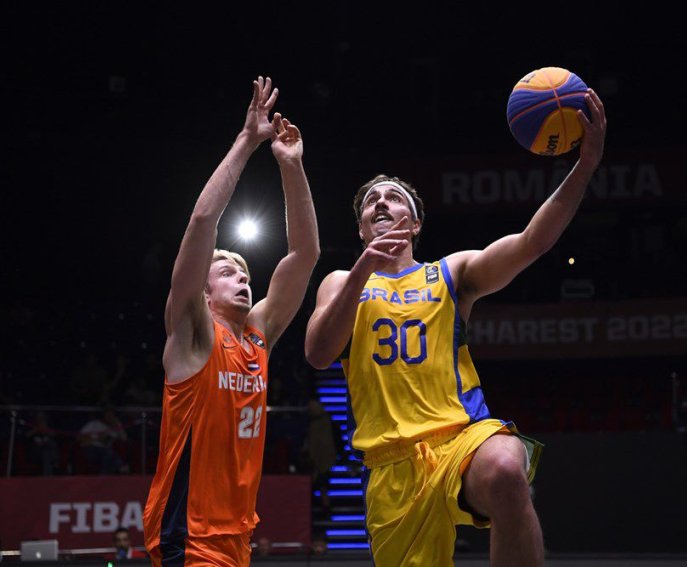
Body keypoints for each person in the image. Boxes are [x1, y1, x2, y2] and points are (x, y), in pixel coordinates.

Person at [306, 90, 606, 566]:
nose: (380, 202)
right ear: (362, 230)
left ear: (416, 223)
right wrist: (363, 270)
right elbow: (319, 353)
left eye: (393, 197)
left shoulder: (451, 272)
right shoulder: (342, 282)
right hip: (391, 466)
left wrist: (585, 166)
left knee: (508, 468)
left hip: (460, 439)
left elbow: (532, 242)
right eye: (370, 202)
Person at [143, 76, 319, 567]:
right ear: (204, 289)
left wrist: (292, 167)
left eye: (245, 272)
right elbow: (203, 223)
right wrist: (247, 141)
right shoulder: (194, 333)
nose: (242, 278)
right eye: (227, 271)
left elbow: (305, 255)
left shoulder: (258, 334)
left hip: (237, 533)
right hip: (187, 532)